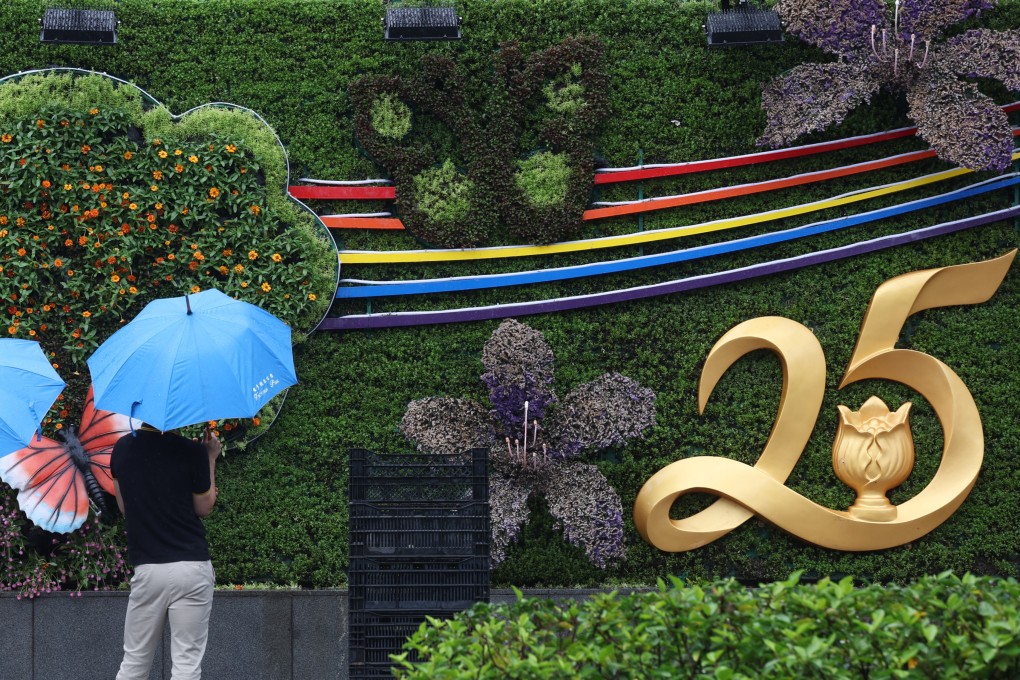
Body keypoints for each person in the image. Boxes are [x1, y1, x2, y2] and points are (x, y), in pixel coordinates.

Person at [111, 423, 221, 680]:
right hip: (192, 567)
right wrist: (210, 458)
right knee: (186, 665)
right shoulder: (191, 450)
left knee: (134, 663)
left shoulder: (122, 449)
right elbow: (204, 507)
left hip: (148, 568)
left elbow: (125, 507)